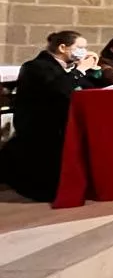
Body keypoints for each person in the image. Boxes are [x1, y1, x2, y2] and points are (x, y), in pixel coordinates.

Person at [0, 31, 101, 201]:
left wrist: (94, 71)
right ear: (63, 47)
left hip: (62, 121)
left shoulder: (67, 68)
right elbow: (60, 89)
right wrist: (80, 70)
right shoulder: (36, 66)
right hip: (40, 124)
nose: (84, 51)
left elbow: (88, 86)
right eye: (80, 47)